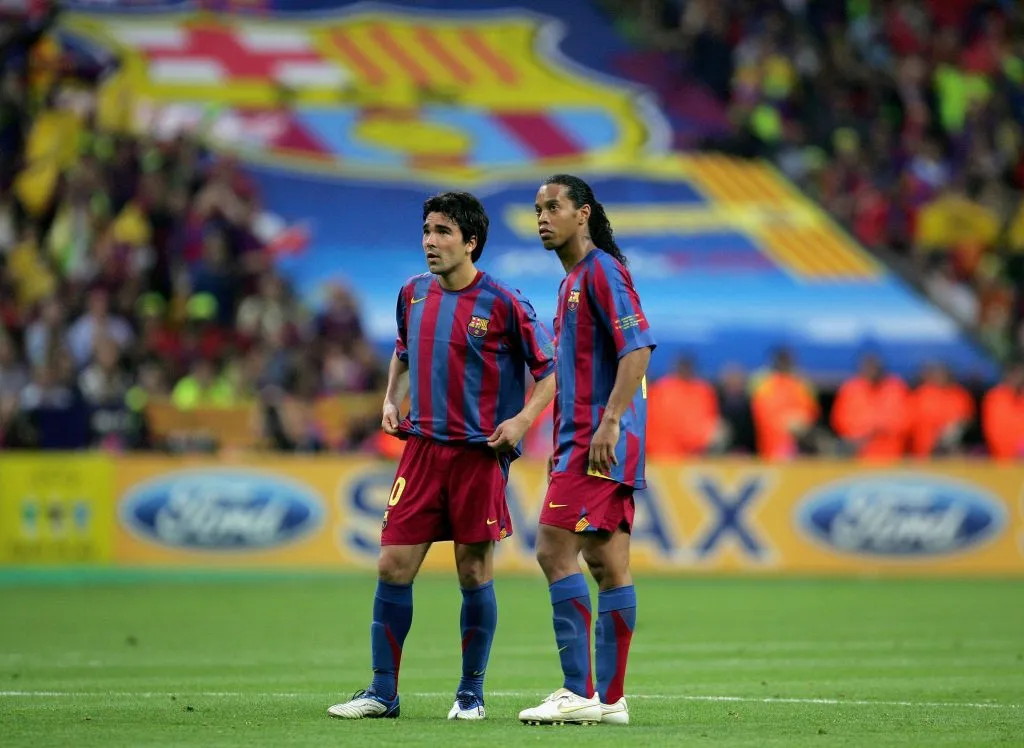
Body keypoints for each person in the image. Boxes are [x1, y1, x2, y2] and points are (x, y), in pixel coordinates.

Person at [328, 191, 556, 721]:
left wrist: (521, 421)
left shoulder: (504, 302)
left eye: (443, 232)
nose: (430, 241)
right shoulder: (412, 293)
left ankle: (471, 693)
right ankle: (383, 692)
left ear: (470, 241)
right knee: (391, 566)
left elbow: (549, 372)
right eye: (427, 230)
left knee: (473, 573)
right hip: (422, 450)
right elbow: (403, 351)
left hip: (478, 454)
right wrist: (391, 396)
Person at [518, 175, 655, 726]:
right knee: (606, 562)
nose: (543, 217)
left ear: (584, 214)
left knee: (553, 550)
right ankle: (613, 699)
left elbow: (637, 347)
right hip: (585, 441)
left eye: (554, 207)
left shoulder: (600, 271)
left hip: (598, 442)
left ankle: (577, 690)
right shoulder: (574, 279)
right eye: (537, 209)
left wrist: (610, 422)